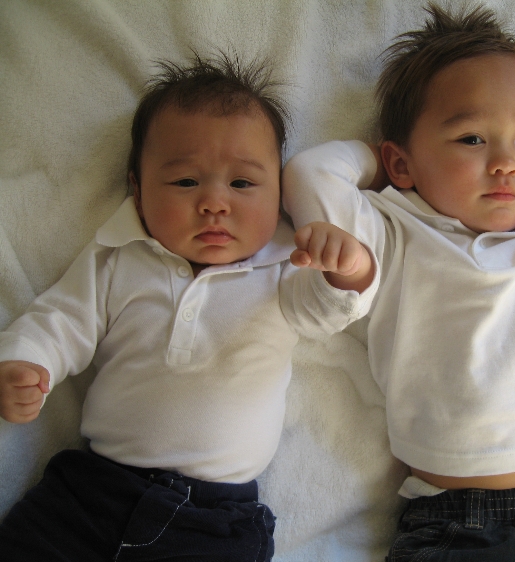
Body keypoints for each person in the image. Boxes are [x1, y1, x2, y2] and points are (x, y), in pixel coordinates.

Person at [282, 3, 515, 560]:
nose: (505, 163)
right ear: (401, 164)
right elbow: (311, 172)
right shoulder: (394, 228)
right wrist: (390, 167)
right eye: (471, 139)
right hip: (445, 524)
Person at [0, 52, 374, 561]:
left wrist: (347, 266)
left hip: (215, 520)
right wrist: (27, 361)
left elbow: (330, 308)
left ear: (279, 195)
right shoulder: (120, 256)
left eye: (242, 183)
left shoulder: (286, 266)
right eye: (185, 182)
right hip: (92, 493)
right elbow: (62, 318)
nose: (215, 202)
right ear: (137, 190)